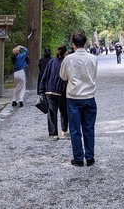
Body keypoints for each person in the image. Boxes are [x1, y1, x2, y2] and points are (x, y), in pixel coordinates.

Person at [60, 32, 98, 167]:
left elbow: (63, 77)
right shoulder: (93, 58)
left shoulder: (68, 59)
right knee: (89, 128)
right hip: (89, 96)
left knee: (75, 129)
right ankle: (90, 157)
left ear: (73, 44)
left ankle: (78, 158)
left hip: (74, 97)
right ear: (86, 43)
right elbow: (94, 75)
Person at [38, 46, 69, 141]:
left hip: (49, 91)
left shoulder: (51, 62)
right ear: (65, 53)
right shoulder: (66, 63)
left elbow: (44, 76)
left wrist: (41, 90)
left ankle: (53, 134)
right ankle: (64, 130)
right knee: (64, 112)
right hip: (61, 91)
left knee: (52, 113)